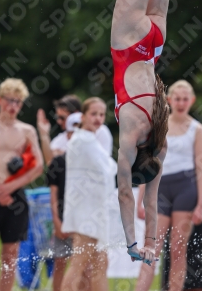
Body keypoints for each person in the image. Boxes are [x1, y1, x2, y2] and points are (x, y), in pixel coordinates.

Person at [110, 0, 201, 265]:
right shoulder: (131, 135)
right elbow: (129, 193)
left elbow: (152, 197)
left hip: (154, 44)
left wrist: (146, 244)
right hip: (130, 42)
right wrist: (131, 243)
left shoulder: (160, 144)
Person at [135, 80, 202, 291]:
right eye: (178, 98)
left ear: (191, 101)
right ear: (169, 100)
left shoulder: (198, 129)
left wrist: (201, 203)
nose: (181, 103)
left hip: (186, 187)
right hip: (160, 186)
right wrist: (140, 200)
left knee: (177, 248)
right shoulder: (158, 126)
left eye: (185, 99)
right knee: (151, 248)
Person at [0, 78, 43, 291]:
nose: (13, 106)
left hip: (14, 198)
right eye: (9, 100)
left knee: (10, 256)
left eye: (18, 102)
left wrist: (9, 187)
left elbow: (38, 166)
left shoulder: (27, 131)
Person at [61, 97, 117, 291]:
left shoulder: (88, 139)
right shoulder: (83, 140)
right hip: (87, 213)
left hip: (93, 211)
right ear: (83, 116)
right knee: (79, 263)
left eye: (102, 114)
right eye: (93, 114)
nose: (98, 119)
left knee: (100, 262)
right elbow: (108, 168)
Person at [46, 112, 80, 291]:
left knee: (85, 265)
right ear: (67, 135)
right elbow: (53, 194)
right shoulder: (58, 162)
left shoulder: (90, 162)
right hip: (63, 219)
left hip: (84, 221)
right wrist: (57, 222)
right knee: (60, 261)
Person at [37, 94, 113, 164]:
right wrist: (44, 134)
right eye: (58, 117)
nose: (59, 121)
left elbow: (100, 161)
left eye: (62, 118)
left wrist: (63, 154)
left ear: (76, 114)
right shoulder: (60, 139)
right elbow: (50, 162)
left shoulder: (100, 131)